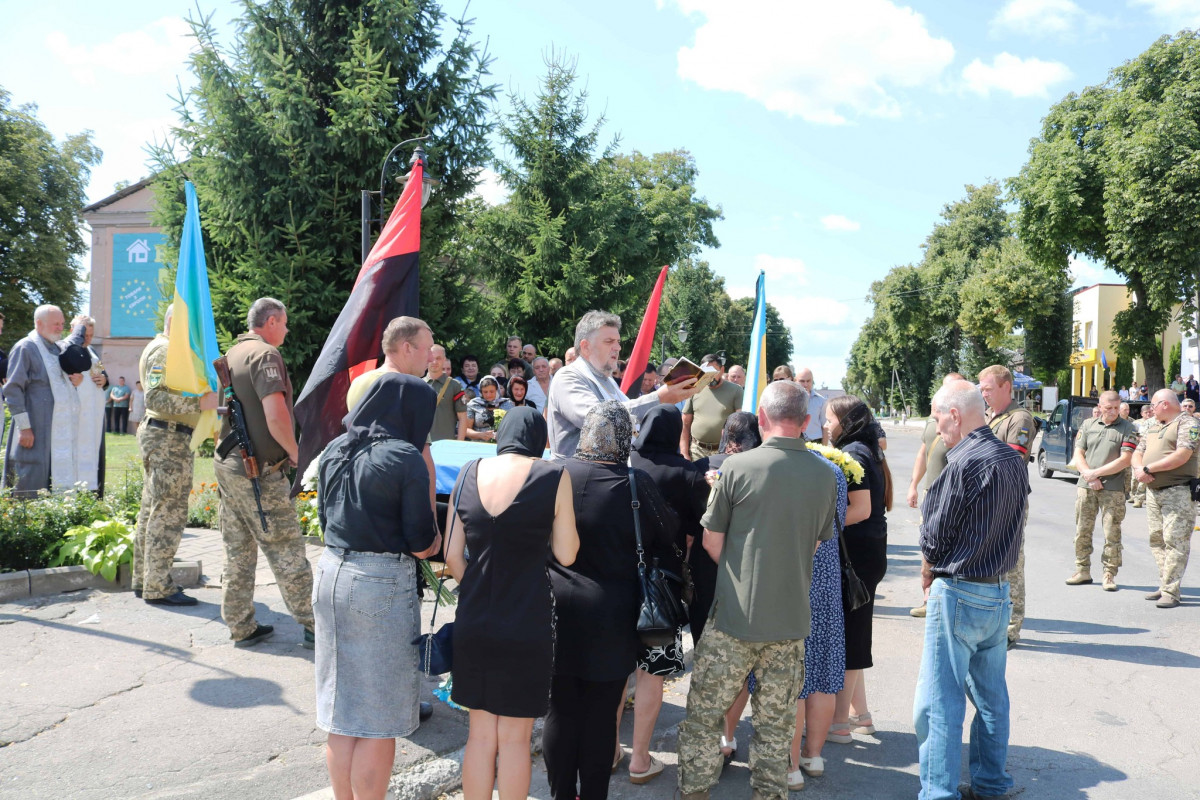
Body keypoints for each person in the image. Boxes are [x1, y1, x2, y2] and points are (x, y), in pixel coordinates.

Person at [677, 381, 836, 800]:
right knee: (775, 725)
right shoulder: (826, 475)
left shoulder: (737, 468)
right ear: (806, 422)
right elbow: (814, 544)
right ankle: (769, 793)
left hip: (734, 617)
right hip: (790, 622)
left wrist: (743, 572)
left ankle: (694, 791)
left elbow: (712, 542)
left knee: (704, 716)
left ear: (761, 419)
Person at [315, 372, 443, 800]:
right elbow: (422, 543)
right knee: (378, 717)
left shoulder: (334, 446)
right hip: (379, 585)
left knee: (340, 708)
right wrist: (443, 539)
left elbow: (323, 520)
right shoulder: (405, 457)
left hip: (331, 572)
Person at [544, 401, 677, 800]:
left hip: (555, 607)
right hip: (612, 615)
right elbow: (669, 533)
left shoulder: (555, 474)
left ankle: (561, 794)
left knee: (561, 708)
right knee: (602, 716)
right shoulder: (635, 484)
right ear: (624, 438)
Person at [446, 407, 579, 800]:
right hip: (527, 620)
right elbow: (567, 554)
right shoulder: (553, 475)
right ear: (540, 439)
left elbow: (453, 556)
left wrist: (482, 588)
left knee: (480, 735)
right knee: (517, 740)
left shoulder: (469, 471)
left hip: (474, 619)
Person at [915, 380, 1028, 800]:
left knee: (940, 702)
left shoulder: (960, 462)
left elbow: (934, 538)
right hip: (998, 591)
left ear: (955, 415)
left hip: (961, 590)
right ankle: (991, 783)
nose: (936, 423)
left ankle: (939, 792)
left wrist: (930, 569)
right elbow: (1018, 525)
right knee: (991, 697)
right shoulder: (1011, 459)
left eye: (936, 415)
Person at [215, 298, 314, 648]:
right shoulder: (265, 355)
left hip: (230, 465)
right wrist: (295, 453)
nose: (287, 330)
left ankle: (240, 624)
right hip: (257, 472)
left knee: (238, 548)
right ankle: (315, 625)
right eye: (284, 323)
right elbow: (275, 416)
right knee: (286, 547)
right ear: (271, 321)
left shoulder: (234, 354)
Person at [622, 405, 708, 785]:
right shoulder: (688, 473)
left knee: (615, 671)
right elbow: (695, 534)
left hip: (617, 579)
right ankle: (640, 758)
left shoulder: (623, 464)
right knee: (651, 673)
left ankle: (610, 749)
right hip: (662, 585)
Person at [132, 307, 219, 606]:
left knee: (153, 508)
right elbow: (154, 396)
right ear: (175, 323)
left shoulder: (164, 348)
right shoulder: (165, 350)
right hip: (167, 437)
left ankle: (145, 578)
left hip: (166, 435)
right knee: (167, 511)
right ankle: (158, 585)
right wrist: (200, 403)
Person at [825, 395, 892, 744]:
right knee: (856, 631)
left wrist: (819, 528)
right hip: (867, 553)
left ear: (847, 421)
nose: (825, 425)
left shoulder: (853, 453)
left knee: (852, 636)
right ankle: (860, 716)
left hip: (858, 557)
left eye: (829, 419)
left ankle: (838, 723)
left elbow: (861, 509)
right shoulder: (864, 447)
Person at [544, 311, 699, 460]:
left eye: (618, 341)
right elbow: (600, 419)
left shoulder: (608, 380)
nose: (618, 348)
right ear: (586, 347)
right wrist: (659, 398)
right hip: (574, 480)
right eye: (609, 341)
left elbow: (628, 416)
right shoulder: (568, 377)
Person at [788, 448, 848, 791]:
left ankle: (791, 765)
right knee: (822, 673)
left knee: (795, 677)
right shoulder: (833, 473)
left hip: (794, 579)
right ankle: (813, 756)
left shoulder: (786, 470)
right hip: (826, 579)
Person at [978, 364, 1035, 647]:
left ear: (1006, 387)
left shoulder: (1020, 418)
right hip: (987, 499)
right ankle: (995, 621)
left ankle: (1012, 627)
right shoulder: (990, 417)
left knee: (1011, 562)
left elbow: (1012, 456)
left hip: (1008, 500)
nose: (984, 394)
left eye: (988, 388)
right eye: (982, 389)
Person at [2, 304, 83, 496]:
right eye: (55, 324)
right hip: (34, 428)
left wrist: (75, 381)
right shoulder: (26, 348)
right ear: (39, 323)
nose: (60, 328)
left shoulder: (57, 349)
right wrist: (25, 427)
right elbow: (13, 389)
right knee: (30, 476)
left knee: (52, 479)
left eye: (62, 324)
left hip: (58, 429)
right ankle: (25, 520)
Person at [1132, 389, 1200, 609]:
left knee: (1175, 540)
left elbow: (1182, 455)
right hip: (1154, 490)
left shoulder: (1187, 423)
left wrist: (1148, 468)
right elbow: (1137, 451)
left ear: (1164, 404)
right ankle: (1165, 584)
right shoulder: (1154, 425)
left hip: (1178, 491)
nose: (1150, 409)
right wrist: (1138, 469)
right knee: (1157, 539)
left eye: (1153, 405)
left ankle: (1171, 590)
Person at [905, 373, 965, 618]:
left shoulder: (962, 420)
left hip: (951, 494)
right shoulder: (933, 420)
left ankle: (948, 602)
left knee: (948, 547)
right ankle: (928, 600)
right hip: (931, 492)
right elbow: (923, 454)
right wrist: (913, 485)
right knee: (928, 547)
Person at [1066, 390, 1138, 591]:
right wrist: (1089, 476)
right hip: (1086, 486)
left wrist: (1095, 474)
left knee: (1111, 533)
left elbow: (1125, 460)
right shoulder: (1088, 425)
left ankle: (1109, 573)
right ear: (1100, 405)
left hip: (1113, 489)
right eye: (1109, 408)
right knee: (1082, 530)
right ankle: (1082, 570)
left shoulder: (1128, 428)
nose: (1113, 412)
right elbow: (1078, 453)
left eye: (1116, 408)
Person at [65, 315, 108, 493]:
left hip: (94, 417)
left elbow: (105, 377)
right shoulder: (66, 350)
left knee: (93, 455)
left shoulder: (93, 353)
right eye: (84, 335)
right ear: (72, 331)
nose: (87, 339)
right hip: (75, 417)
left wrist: (104, 379)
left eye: (91, 335)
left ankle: (92, 491)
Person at [681, 354, 744, 462]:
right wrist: (684, 453)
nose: (710, 375)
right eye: (706, 371)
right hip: (697, 450)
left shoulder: (736, 391)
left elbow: (740, 425)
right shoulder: (695, 389)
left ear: (722, 369)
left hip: (722, 451)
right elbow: (685, 425)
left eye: (714, 371)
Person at [425, 344, 467, 442]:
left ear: (444, 360)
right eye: (432, 358)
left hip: (446, 444)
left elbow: (462, 418)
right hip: (422, 445)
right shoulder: (418, 384)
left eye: (438, 358)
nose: (434, 362)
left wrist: (459, 445)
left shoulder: (454, 385)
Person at [463, 376, 514, 442]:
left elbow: (513, 426)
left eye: (491, 391)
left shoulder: (507, 404)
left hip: (503, 444)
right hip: (479, 444)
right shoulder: (473, 404)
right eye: (485, 392)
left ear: (497, 390)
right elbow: (466, 429)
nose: (488, 395)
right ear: (481, 392)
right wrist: (480, 435)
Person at [1130, 404, 1155, 508]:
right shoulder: (1147, 422)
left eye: (1151, 411)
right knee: (1139, 476)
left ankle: (1143, 498)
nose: (1149, 414)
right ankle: (1136, 497)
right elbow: (1140, 437)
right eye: (1147, 412)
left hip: (1158, 453)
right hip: (1145, 452)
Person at [796, 368, 826, 442]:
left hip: (815, 442)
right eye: (802, 381)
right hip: (796, 442)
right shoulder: (789, 400)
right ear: (795, 381)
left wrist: (825, 447)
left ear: (812, 381)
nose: (805, 384)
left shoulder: (821, 400)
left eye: (808, 381)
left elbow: (825, 426)